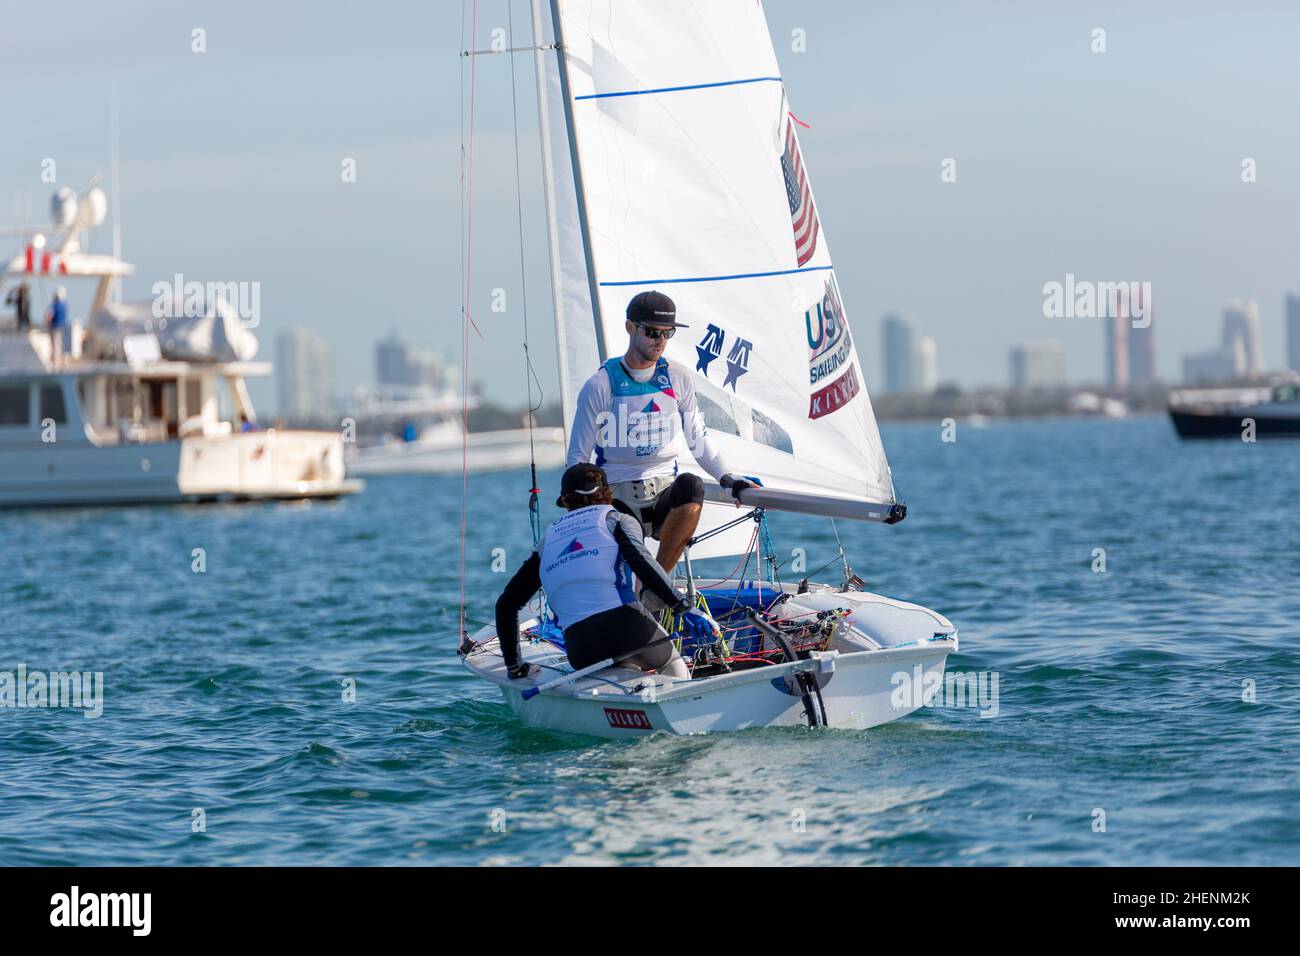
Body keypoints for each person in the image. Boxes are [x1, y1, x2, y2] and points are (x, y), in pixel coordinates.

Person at [566, 290, 762, 577]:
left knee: (692, 484)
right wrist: (581, 513)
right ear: (630, 327)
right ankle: (635, 594)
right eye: (652, 332)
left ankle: (655, 590)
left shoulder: (678, 377)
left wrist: (728, 478)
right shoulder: (600, 385)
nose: (660, 341)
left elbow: (698, 437)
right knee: (618, 540)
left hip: (663, 499)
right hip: (617, 497)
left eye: (667, 333)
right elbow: (577, 459)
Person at [494, 464, 718, 682]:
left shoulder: (547, 542)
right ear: (608, 493)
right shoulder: (616, 519)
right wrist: (684, 608)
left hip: (580, 648)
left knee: (626, 664)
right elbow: (643, 563)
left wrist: (515, 667)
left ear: (564, 502)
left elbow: (506, 605)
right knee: (672, 664)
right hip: (628, 629)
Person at [45, 286, 68, 367]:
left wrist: (48, 323)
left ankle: (55, 364)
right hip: (62, 328)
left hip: (55, 328)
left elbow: (49, 315)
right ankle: (62, 363)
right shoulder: (65, 305)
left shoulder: (55, 305)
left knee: (55, 346)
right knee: (60, 346)